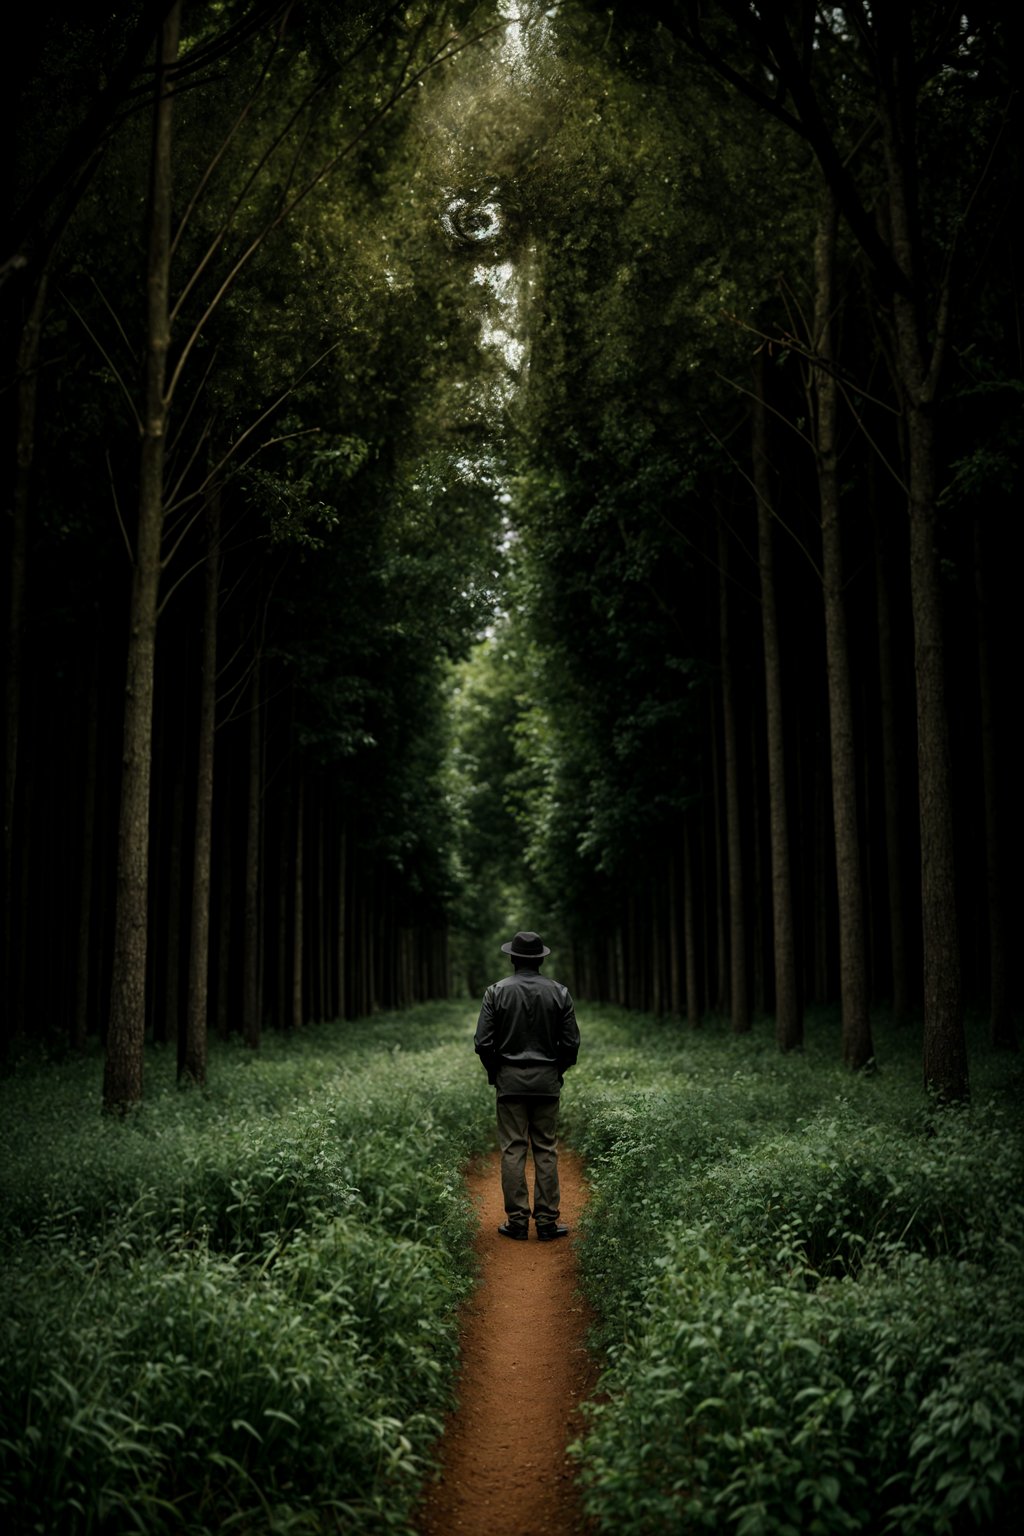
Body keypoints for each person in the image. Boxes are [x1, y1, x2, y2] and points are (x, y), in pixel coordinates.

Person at [474, 930, 581, 1241]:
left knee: (512, 1150)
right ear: (540, 960)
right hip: (547, 1082)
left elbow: (483, 1042)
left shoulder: (495, 992)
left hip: (509, 1082)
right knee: (546, 1149)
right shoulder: (560, 993)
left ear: (512, 958)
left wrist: (498, 1071)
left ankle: (517, 1222)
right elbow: (571, 1043)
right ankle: (547, 1223)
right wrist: (556, 1069)